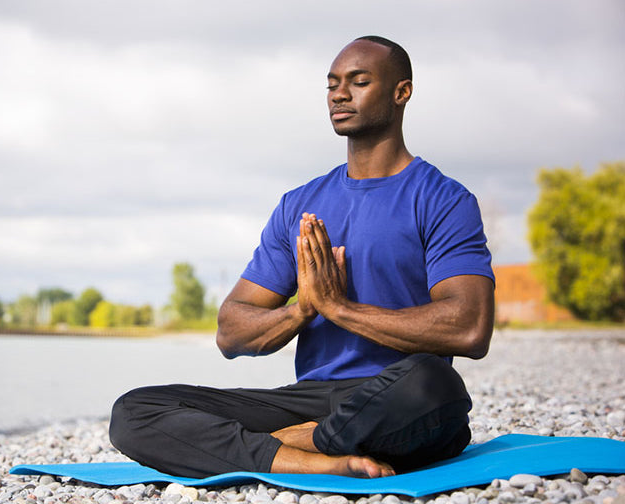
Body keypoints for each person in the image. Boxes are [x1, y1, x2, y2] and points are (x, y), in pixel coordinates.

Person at [109, 35, 495, 479]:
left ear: (401, 92)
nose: (340, 94)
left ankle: (288, 445)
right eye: (331, 84)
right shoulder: (299, 203)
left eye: (359, 81)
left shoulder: (442, 199)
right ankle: (310, 458)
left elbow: (469, 328)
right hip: (309, 398)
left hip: (395, 395)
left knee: (435, 386)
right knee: (135, 410)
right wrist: (303, 312)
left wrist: (340, 309)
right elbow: (231, 330)